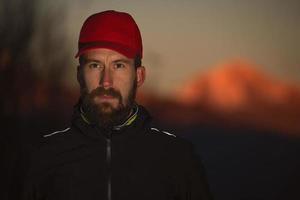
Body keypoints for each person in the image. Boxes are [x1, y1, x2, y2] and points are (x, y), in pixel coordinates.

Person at [20, 10, 212, 200]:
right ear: (79, 75)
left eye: (119, 65)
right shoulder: (43, 157)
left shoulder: (178, 158)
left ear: (139, 76)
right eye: (95, 65)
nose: (106, 81)